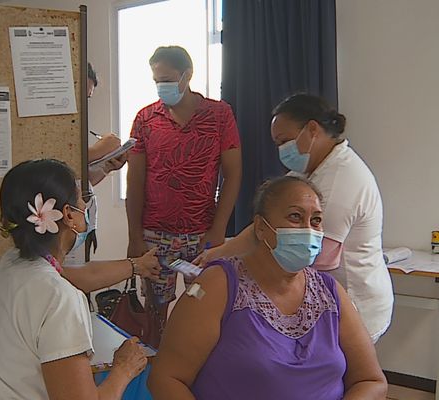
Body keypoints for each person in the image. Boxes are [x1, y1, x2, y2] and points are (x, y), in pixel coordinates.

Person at [148, 176, 387, 400]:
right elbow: (165, 379)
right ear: (261, 228)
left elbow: (371, 380)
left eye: (316, 220)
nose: (308, 230)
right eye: (295, 217)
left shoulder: (329, 292)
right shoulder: (217, 286)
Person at [196, 94, 393, 342]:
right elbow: (262, 227)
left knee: (340, 373)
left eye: (285, 141)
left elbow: (312, 255)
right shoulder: (309, 173)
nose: (281, 150)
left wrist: (238, 268)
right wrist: (216, 254)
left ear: (312, 129)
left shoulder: (338, 179)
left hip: (354, 300)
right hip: (328, 295)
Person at [0, 159, 147, 400]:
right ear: (68, 215)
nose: (85, 205)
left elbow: (80, 277)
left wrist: (137, 266)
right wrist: (123, 370)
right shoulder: (59, 297)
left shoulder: (12, 264)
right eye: (80, 199)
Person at [126, 45, 242, 341]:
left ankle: (194, 369)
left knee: (203, 306)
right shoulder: (145, 119)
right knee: (155, 313)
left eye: (166, 79)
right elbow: (135, 179)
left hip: (201, 234)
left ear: (186, 76)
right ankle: (155, 367)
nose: (160, 87)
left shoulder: (219, 115)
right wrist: (134, 237)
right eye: (156, 81)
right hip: (154, 233)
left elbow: (233, 174)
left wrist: (218, 229)